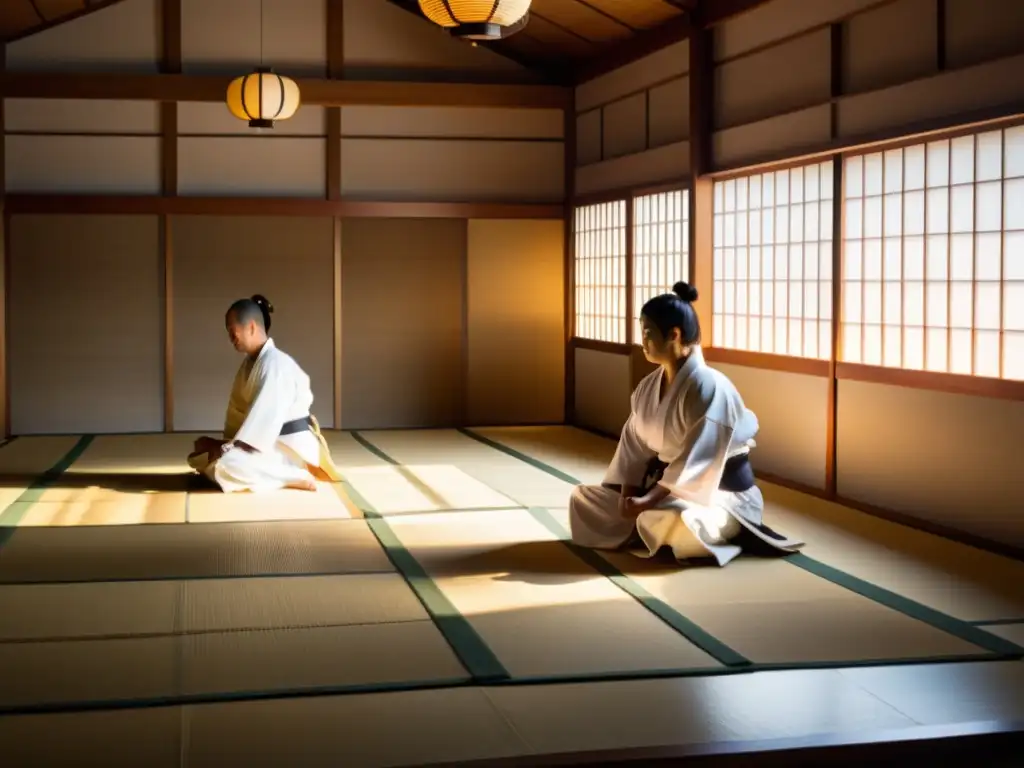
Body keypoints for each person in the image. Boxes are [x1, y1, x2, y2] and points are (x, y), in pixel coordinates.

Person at [568, 281, 803, 566]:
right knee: (583, 498)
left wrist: (646, 502)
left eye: (648, 333)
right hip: (665, 492)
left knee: (676, 516)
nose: (642, 341)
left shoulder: (709, 386)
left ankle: (672, 528)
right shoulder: (648, 386)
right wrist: (627, 498)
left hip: (721, 496)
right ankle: (648, 525)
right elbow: (633, 448)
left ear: (674, 335)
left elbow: (697, 461)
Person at [187, 294, 342, 493]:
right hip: (269, 443)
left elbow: (263, 425)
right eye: (228, 333)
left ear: (251, 327)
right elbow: (241, 415)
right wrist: (222, 443)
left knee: (226, 465)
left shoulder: (274, 364)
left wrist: (226, 448)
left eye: (233, 331)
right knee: (200, 453)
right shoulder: (251, 364)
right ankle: (273, 472)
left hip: (289, 448)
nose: (231, 338)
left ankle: (294, 475)